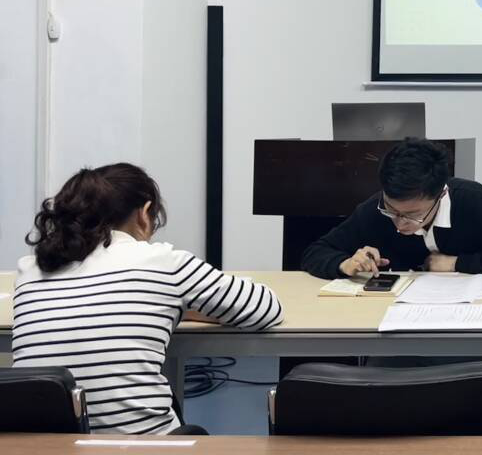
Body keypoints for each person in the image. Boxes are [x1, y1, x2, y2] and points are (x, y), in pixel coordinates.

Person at [13, 163, 282, 434]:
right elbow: (265, 309)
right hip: (143, 446)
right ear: (144, 213)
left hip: (39, 445)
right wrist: (185, 306)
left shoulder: (30, 269)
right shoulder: (162, 261)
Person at [301, 139, 482, 278]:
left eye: (413, 215)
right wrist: (344, 263)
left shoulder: (474, 203)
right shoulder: (374, 210)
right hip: (398, 326)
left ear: (441, 194)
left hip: (471, 322)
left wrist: (457, 263)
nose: (400, 223)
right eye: (392, 210)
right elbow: (315, 252)